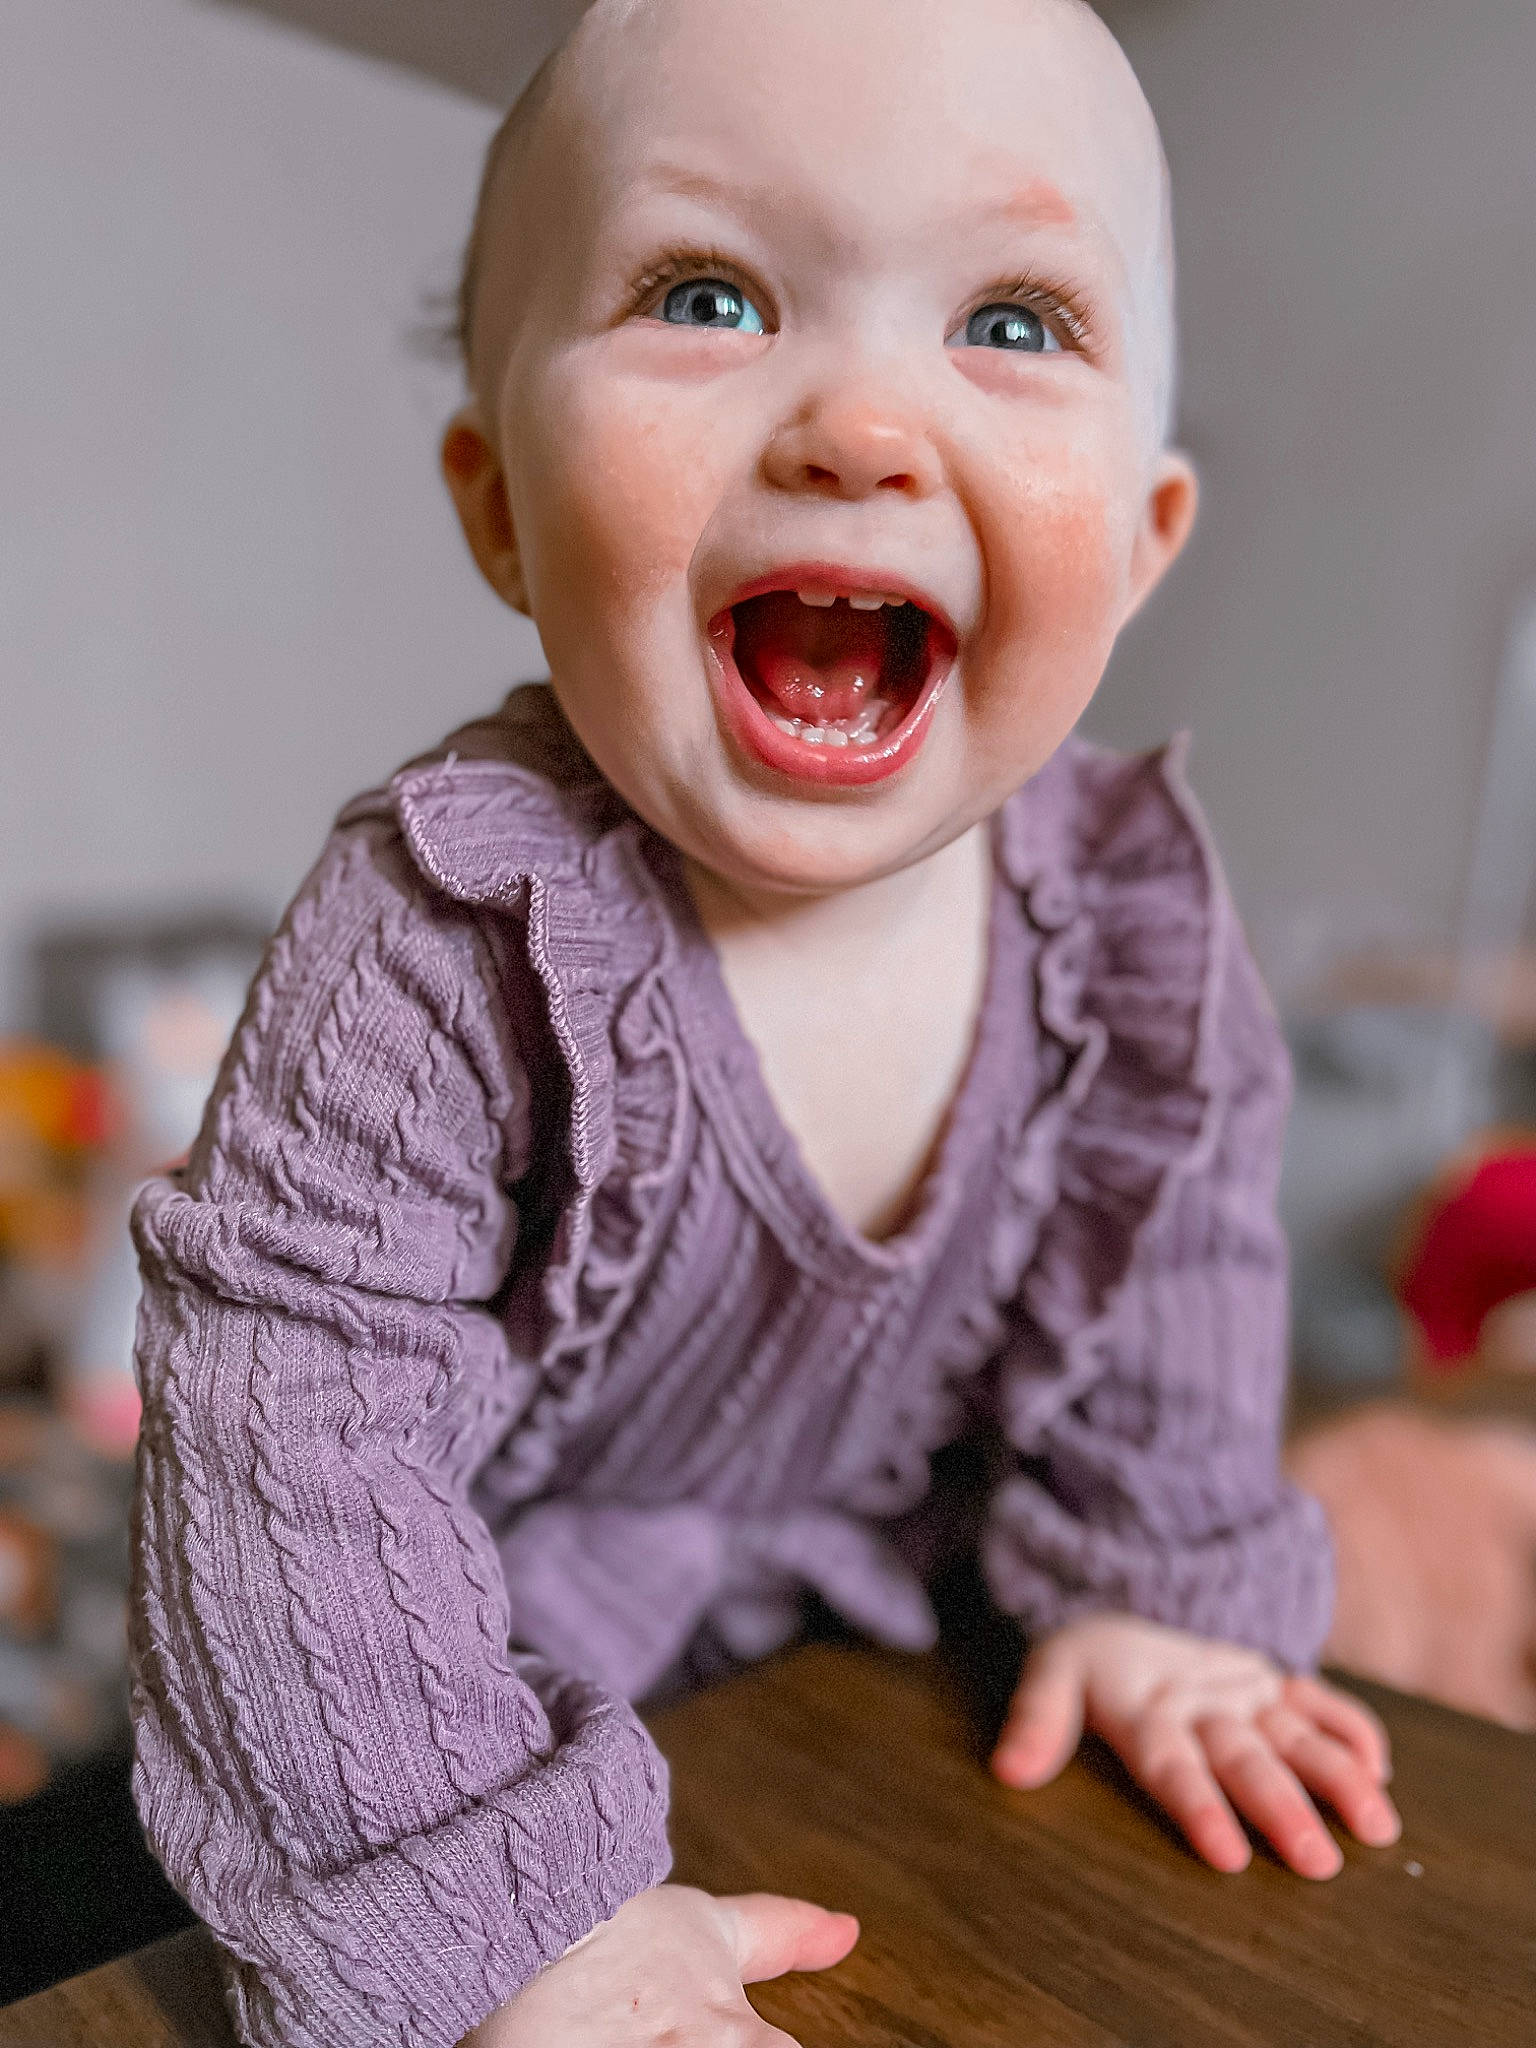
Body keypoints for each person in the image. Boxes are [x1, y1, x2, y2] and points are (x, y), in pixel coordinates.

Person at [128, 3, 1402, 2045]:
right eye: (706, 292)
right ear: (502, 510)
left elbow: (1185, 1279)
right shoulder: (445, 926)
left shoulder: (1138, 923)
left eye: (1010, 320)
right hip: (436, 1700)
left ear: (1148, 542)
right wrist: (496, 1925)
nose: (864, 428)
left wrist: (1160, 1583)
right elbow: (292, 1428)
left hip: (891, 1672)